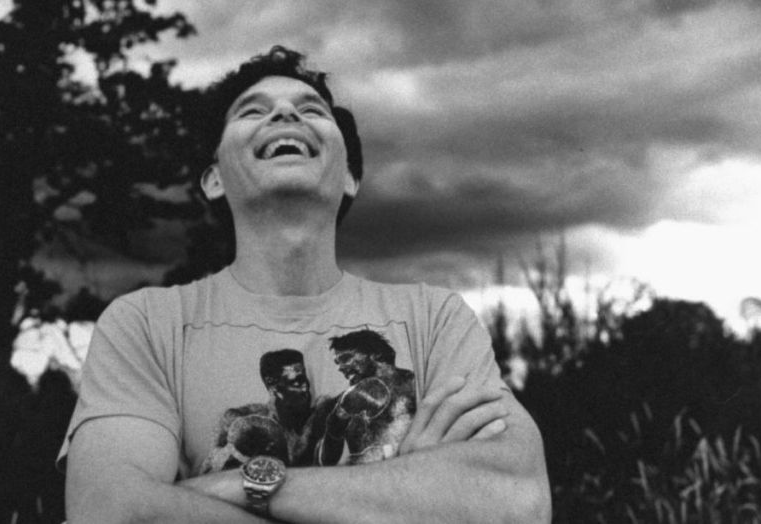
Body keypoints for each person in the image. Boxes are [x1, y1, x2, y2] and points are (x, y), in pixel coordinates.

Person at [62, 45, 551, 523]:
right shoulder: (147, 325)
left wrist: (234, 487)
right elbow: (111, 510)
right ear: (213, 179)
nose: (285, 114)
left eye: (312, 110)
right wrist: (412, 491)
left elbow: (518, 498)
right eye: (253, 111)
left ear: (350, 177)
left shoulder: (435, 320)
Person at [200, 349, 315, 472]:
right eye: (296, 383)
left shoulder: (316, 420)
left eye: (306, 382)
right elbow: (209, 471)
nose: (305, 390)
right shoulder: (237, 420)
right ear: (271, 383)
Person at [315, 329, 416, 465]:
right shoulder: (346, 401)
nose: (340, 368)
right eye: (337, 363)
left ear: (376, 353)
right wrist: (336, 421)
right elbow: (327, 461)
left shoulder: (414, 384)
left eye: (345, 358)